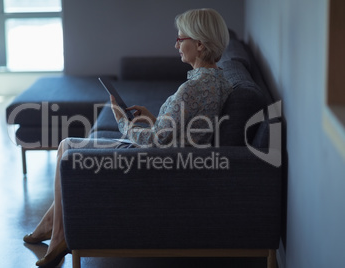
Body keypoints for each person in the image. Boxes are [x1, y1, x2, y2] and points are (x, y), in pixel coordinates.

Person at [23, 8, 233, 267]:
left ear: (199, 44)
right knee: (68, 149)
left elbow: (155, 142)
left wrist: (121, 120)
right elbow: (187, 132)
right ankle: (50, 227)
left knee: (67, 145)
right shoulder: (220, 81)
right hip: (170, 154)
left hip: (153, 164)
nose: (175, 45)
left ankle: (58, 236)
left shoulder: (192, 89)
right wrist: (152, 119)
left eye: (181, 39)